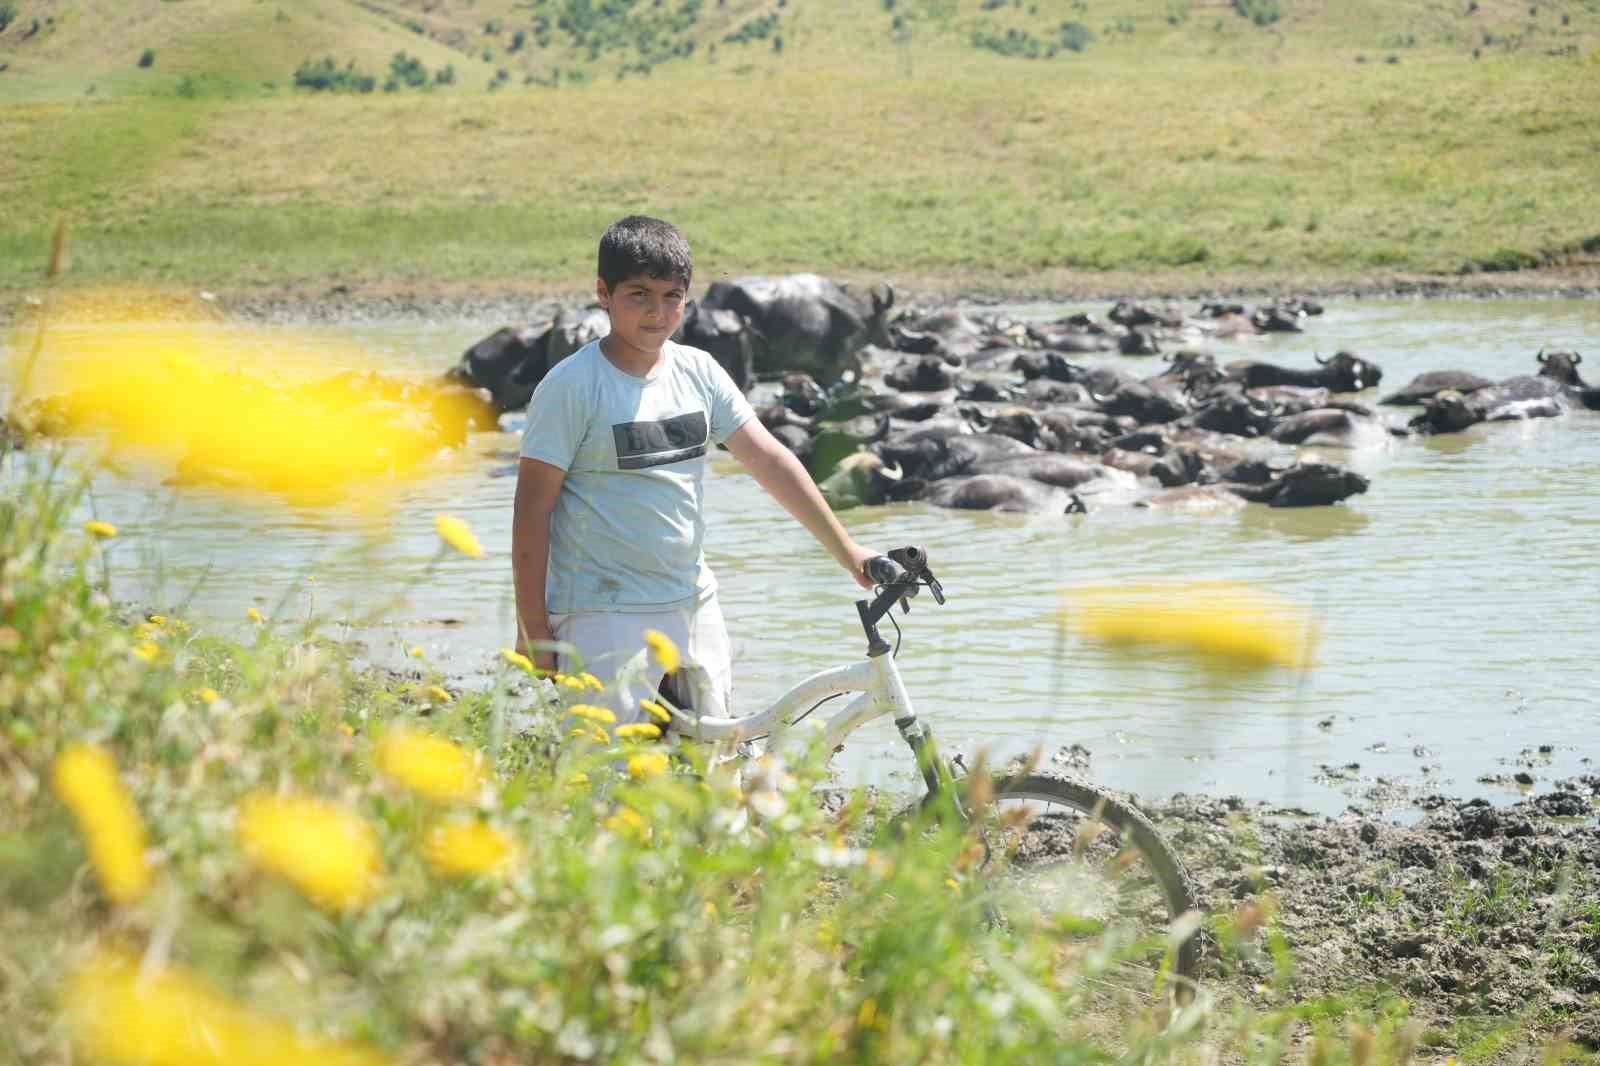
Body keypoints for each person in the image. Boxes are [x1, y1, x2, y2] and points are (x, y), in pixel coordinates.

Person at [511, 215, 878, 727]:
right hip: (601, 614)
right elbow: (532, 511)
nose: (657, 313)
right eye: (639, 295)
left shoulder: (699, 371)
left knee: (716, 779)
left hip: (693, 602)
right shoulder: (570, 386)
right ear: (603, 293)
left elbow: (769, 460)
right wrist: (533, 628)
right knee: (601, 785)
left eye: (671, 296)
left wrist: (849, 551)